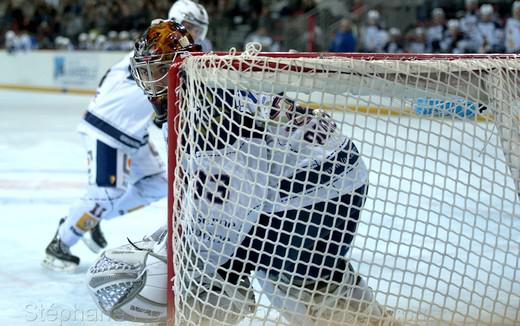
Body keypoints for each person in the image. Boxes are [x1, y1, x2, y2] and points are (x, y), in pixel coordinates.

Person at [86, 19, 399, 325]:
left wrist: (186, 264)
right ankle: (364, 313)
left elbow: (234, 202)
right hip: (320, 171)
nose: (149, 82)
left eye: (155, 71)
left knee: (245, 276)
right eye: (146, 72)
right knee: (285, 267)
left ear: (176, 65)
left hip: (315, 184)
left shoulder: (202, 112)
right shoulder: (204, 81)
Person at [42, 0, 211, 272]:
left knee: (159, 183)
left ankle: (88, 219)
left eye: (198, 30)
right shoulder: (159, 45)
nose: (194, 35)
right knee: (105, 193)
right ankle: (60, 244)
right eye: (189, 26)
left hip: (132, 132)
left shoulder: (174, 50)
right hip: (109, 128)